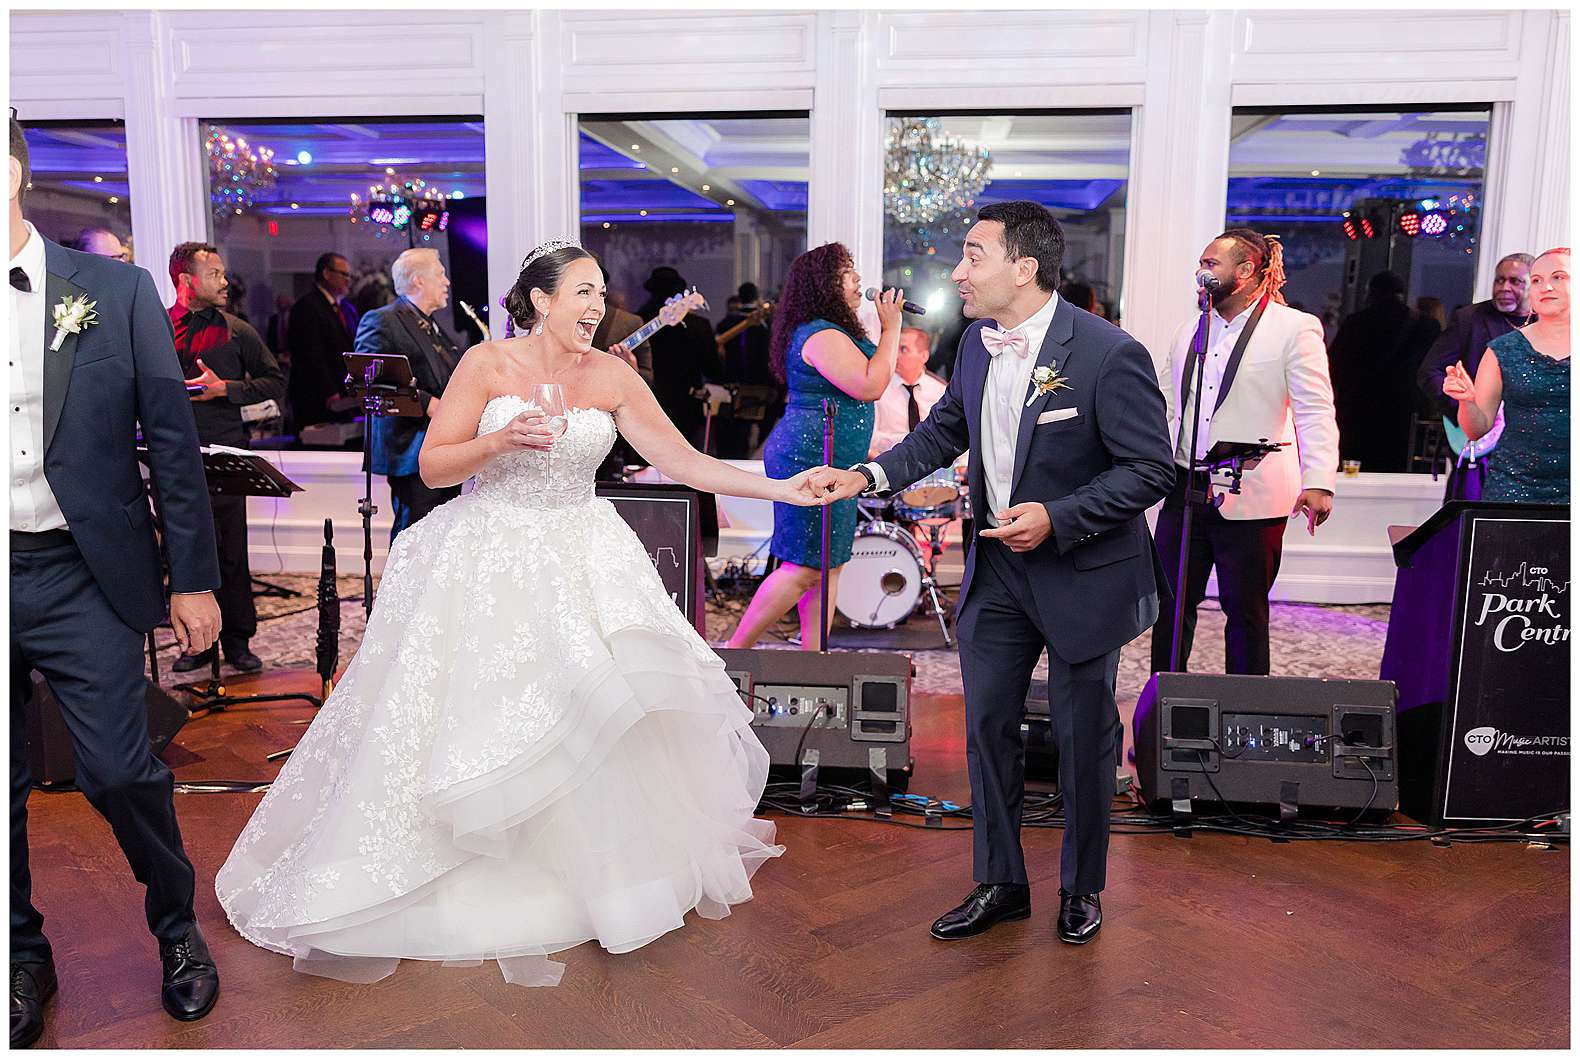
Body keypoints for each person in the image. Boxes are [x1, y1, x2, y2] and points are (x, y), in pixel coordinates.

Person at [216, 239, 829, 986]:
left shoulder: (613, 373)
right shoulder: (487, 365)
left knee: (592, 712)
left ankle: (595, 877)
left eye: (602, 294)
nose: (597, 306)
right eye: (583, 292)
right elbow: (434, 465)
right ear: (540, 300)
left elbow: (683, 462)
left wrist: (785, 488)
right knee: (486, 717)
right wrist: (498, 438)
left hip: (585, 551)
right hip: (489, 552)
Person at [811, 202, 1174, 944]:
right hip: (996, 570)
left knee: (1083, 739)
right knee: (985, 729)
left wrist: (1059, 515)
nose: (957, 271)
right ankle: (1001, 880)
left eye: (973, 256)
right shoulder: (977, 343)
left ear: (1024, 267)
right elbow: (946, 431)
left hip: (1081, 571)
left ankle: (1081, 886)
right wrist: (868, 474)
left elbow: (1151, 469)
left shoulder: (1109, 353)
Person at [9, 116, 223, 1048]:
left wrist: (194, 579)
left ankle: (177, 929)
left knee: (119, 769)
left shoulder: (114, 289)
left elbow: (172, 443)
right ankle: (20, 954)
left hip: (77, 569)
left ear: (9, 169)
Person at [1149, 229, 1339, 677]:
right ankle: (1161, 712)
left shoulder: (1294, 327)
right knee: (1169, 608)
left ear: (1247, 271)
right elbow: (1168, 403)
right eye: (1201, 262)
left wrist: (1319, 482)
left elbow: (1315, 409)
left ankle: (1247, 720)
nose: (1201, 272)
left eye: (1211, 264)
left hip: (1252, 489)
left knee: (1246, 612)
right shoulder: (1189, 330)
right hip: (1185, 488)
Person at [726, 243, 902, 651]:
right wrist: (891, 328)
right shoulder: (820, 333)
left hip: (834, 460)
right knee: (804, 567)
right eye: (848, 271)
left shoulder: (833, 330)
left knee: (828, 565)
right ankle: (731, 654)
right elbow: (871, 384)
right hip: (811, 458)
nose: (858, 279)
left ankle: (813, 661)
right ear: (825, 283)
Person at [166, 241, 286, 674]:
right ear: (186, 280)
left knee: (233, 552)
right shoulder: (156, 327)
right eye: (214, 273)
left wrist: (226, 390)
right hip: (174, 458)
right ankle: (196, 644)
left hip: (228, 454)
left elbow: (275, 381)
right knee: (189, 553)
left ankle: (237, 641)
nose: (225, 282)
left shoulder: (238, 330)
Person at [354, 248, 465, 540]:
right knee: (414, 535)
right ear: (418, 281)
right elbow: (376, 378)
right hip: (409, 449)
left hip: (442, 447)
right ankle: (402, 588)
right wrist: (431, 405)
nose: (447, 282)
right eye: (440, 275)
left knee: (442, 533)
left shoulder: (432, 326)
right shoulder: (381, 320)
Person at [1443, 247, 1569, 503]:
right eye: (1536, 280)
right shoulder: (1503, 349)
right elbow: (1476, 429)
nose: (1545, 287)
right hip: (1515, 489)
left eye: (1558, 277)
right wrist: (1467, 400)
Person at [1416, 252, 1534, 500]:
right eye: (1499, 280)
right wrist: (1463, 408)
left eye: (1515, 281)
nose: (1504, 288)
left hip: (1526, 445)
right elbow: (1430, 372)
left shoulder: (1546, 324)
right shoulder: (1470, 319)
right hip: (1477, 445)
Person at [1326, 270, 1441, 473]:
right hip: (1405, 412)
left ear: (1371, 293)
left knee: (1356, 471)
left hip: (1360, 411)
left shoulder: (1356, 323)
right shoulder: (1427, 326)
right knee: (1398, 471)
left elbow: (1335, 366)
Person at [639, 265, 721, 447]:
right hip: (687, 404)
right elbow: (713, 368)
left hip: (645, 402)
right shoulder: (699, 326)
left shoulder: (637, 321)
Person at [286, 252, 359, 430]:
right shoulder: (307, 306)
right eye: (344, 274)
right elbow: (310, 355)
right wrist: (330, 391)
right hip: (317, 398)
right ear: (327, 273)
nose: (348, 280)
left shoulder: (346, 308)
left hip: (344, 396)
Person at [869, 325, 947, 457]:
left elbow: (952, 433)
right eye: (895, 349)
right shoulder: (879, 387)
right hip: (888, 462)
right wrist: (912, 442)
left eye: (903, 349)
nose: (896, 355)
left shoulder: (939, 390)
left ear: (924, 356)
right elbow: (870, 437)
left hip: (933, 466)